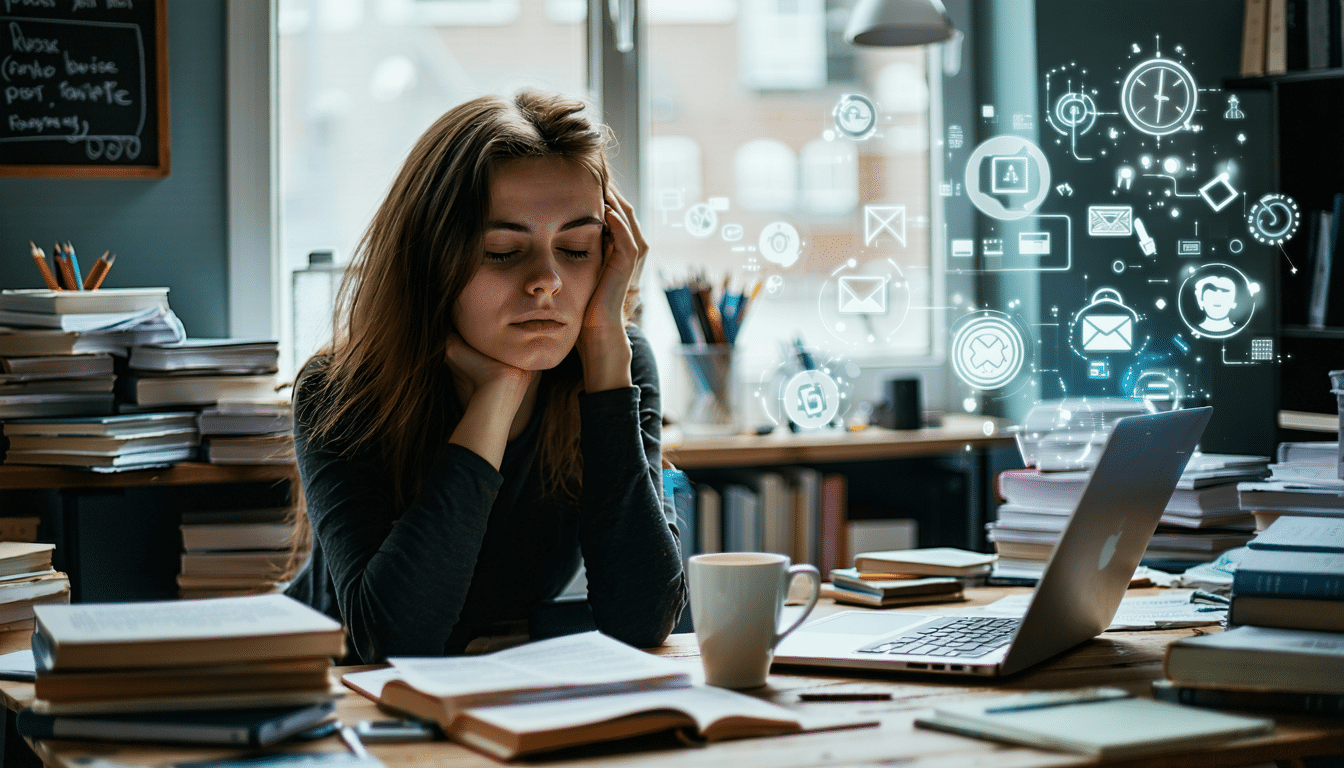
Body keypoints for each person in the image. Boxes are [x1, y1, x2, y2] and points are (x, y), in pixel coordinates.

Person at [283, 90, 687, 663]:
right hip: (329, 693)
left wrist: (605, 358)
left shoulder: (612, 364)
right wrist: (499, 394)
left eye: (575, 248)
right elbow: (393, 643)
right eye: (502, 251)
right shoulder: (339, 390)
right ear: (430, 258)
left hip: (492, 685)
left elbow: (642, 620)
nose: (546, 280)